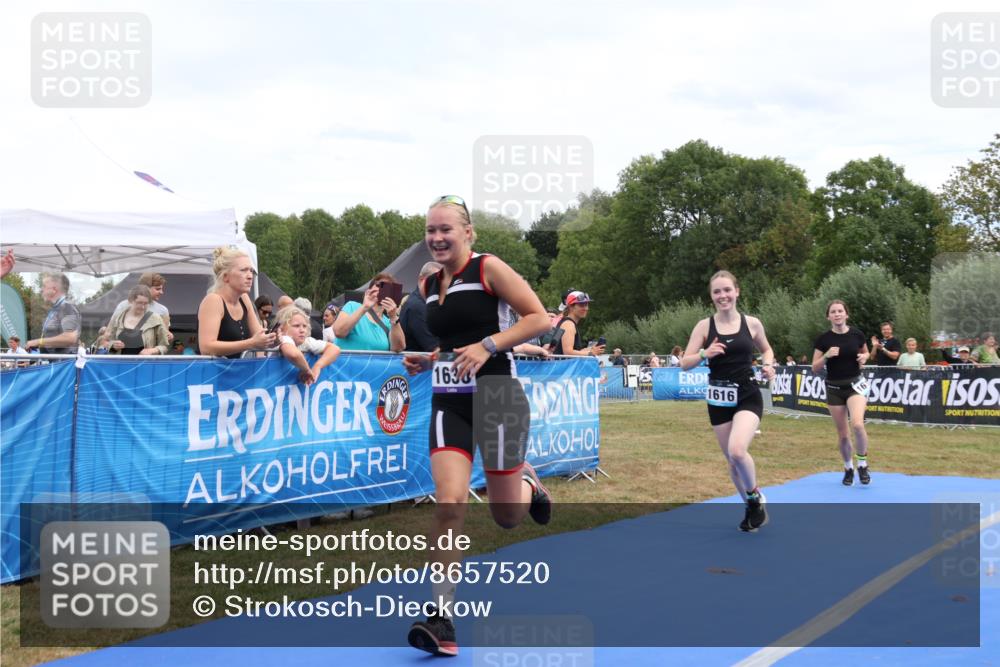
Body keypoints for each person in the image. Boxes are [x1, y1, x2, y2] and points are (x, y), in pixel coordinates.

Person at [401, 195, 552, 657]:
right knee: (448, 503)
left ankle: (527, 480)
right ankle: (441, 619)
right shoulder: (429, 283)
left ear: (468, 233)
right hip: (450, 400)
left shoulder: (489, 268)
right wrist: (429, 360)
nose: (436, 238)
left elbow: (539, 318)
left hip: (499, 398)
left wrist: (488, 345)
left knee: (506, 518)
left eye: (446, 229)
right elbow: (450, 343)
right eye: (430, 230)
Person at [681, 270, 775, 532]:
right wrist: (704, 352)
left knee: (737, 450)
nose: (723, 296)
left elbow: (767, 349)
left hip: (747, 394)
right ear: (712, 297)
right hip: (719, 398)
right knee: (732, 462)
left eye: (727, 290)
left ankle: (755, 497)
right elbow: (684, 363)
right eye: (717, 292)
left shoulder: (752, 323)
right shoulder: (704, 326)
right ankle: (751, 507)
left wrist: (768, 365)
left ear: (737, 292)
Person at [812, 300, 872, 487]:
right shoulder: (824, 339)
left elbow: (866, 352)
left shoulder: (857, 334)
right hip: (834, 388)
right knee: (843, 435)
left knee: (858, 425)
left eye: (840, 311)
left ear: (847, 314)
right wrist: (826, 355)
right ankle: (848, 468)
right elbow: (815, 367)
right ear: (828, 316)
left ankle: (862, 463)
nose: (837, 314)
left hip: (855, 385)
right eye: (833, 312)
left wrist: (865, 357)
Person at [197, 247, 275, 358]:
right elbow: (206, 348)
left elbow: (259, 338)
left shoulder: (244, 298)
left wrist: (273, 338)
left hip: (241, 372)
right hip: (216, 373)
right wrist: (251, 343)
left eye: (251, 271)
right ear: (225, 277)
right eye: (243, 270)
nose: (250, 276)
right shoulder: (213, 301)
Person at [333, 273, 405, 352]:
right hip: (347, 363)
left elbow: (398, 348)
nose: (382, 289)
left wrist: (394, 317)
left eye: (388, 288)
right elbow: (339, 332)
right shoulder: (352, 306)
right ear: (369, 290)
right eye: (378, 285)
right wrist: (365, 307)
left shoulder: (389, 322)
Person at [274, 305, 341, 385]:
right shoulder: (283, 338)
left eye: (304, 326)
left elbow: (335, 349)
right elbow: (294, 354)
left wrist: (318, 366)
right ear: (283, 329)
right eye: (296, 326)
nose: (302, 330)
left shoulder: (306, 341)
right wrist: (307, 370)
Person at [106, 285, 170, 355]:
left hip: (146, 364)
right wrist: (113, 345)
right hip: (120, 364)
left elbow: (164, 346)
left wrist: (152, 350)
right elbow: (107, 341)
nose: (142, 307)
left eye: (146, 303)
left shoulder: (156, 319)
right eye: (139, 303)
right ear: (130, 301)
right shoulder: (118, 318)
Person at [25, 273, 81, 354]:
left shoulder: (67, 307)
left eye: (44, 286)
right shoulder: (56, 309)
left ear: (54, 289)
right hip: (55, 364)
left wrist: (38, 342)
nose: (41, 289)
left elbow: (70, 338)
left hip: (63, 364)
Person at [109, 273, 173, 342]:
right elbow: (110, 331)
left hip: (148, 351)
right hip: (125, 350)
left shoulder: (163, 310)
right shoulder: (123, 305)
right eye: (158, 289)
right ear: (145, 288)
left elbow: (164, 339)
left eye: (161, 289)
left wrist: (168, 336)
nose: (161, 292)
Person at [399, 261, 443, 352]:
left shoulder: (428, 303)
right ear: (421, 279)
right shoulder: (417, 306)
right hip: (415, 363)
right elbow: (434, 347)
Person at [551, 290, 605, 358]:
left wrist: (591, 349)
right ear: (571, 307)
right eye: (581, 305)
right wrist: (591, 353)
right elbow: (567, 352)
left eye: (586, 305)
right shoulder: (568, 324)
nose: (586, 308)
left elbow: (570, 351)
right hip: (564, 367)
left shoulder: (566, 322)